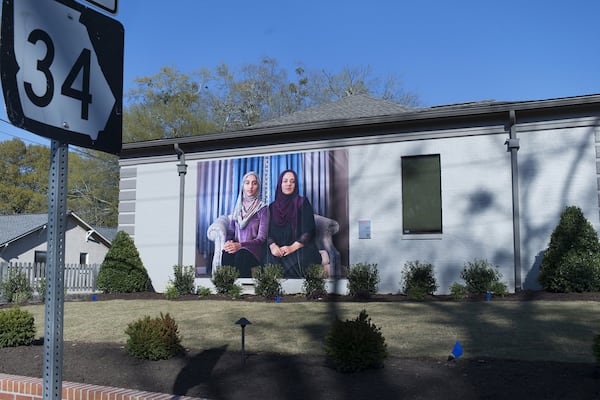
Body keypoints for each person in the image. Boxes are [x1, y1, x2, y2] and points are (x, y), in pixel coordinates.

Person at [267, 169, 322, 278]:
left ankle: (292, 293)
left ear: (296, 185)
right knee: (268, 260)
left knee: (295, 263)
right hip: (278, 249)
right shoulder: (272, 207)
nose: (288, 184)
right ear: (280, 184)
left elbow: (309, 231)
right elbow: (267, 232)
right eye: (285, 181)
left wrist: (292, 247)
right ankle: (275, 293)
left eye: (292, 181)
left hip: (299, 247)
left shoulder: (302, 202)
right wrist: (273, 246)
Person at [222, 171, 269, 278]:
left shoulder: (263, 209)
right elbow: (231, 231)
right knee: (226, 253)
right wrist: (228, 242)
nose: (250, 186)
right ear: (243, 185)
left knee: (241, 255)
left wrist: (240, 245)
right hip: (237, 247)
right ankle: (227, 289)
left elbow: (261, 238)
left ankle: (243, 291)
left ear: (258, 186)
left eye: (254, 183)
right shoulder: (238, 205)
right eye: (247, 183)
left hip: (253, 250)